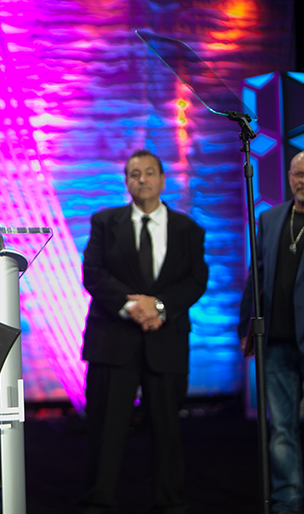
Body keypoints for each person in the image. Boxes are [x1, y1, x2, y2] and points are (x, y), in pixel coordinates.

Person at [80, 149, 209, 514]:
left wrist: (161, 307)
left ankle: (170, 501)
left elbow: (196, 280)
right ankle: (98, 501)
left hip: (165, 341)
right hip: (113, 341)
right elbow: (93, 274)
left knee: (168, 429)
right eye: (134, 174)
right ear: (126, 182)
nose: (142, 179)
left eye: (149, 172)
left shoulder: (188, 229)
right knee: (106, 429)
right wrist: (132, 306)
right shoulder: (105, 222)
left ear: (163, 180)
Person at [238, 150, 304, 514]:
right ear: (290, 176)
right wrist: (243, 325)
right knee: (281, 429)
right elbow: (256, 275)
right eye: (297, 174)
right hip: (278, 340)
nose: (302, 181)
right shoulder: (272, 217)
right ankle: (288, 502)